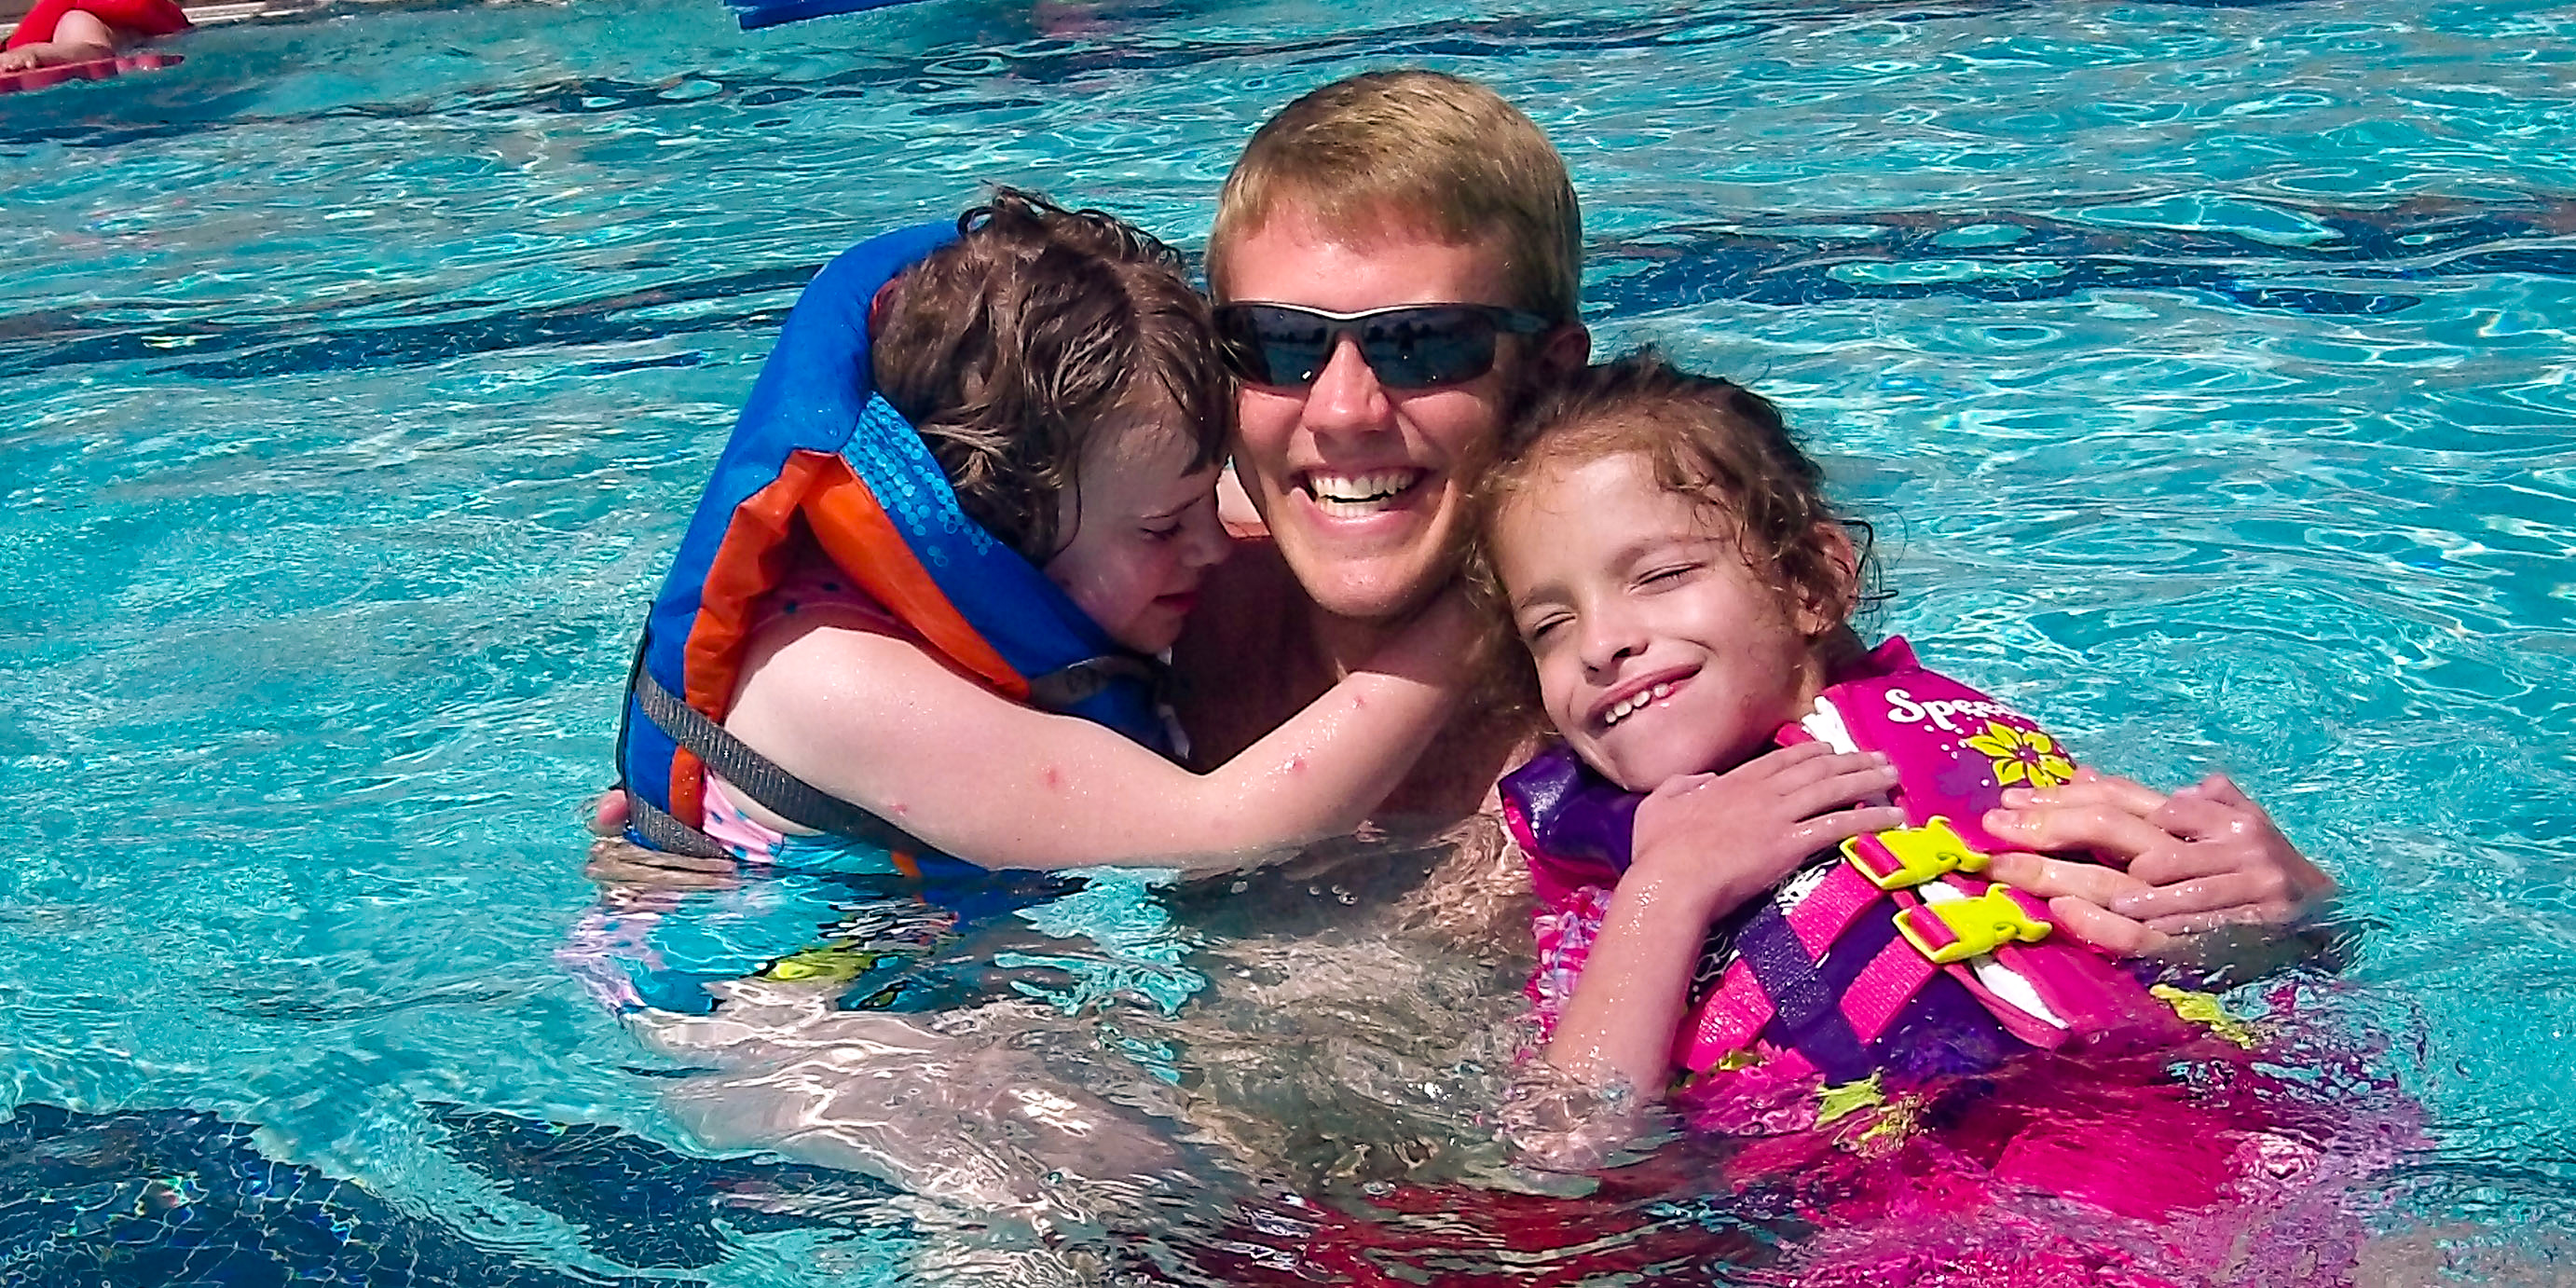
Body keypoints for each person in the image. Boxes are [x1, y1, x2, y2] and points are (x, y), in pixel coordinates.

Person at [1466, 351, 2370, 1278]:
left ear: (1813, 582)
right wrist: (1669, 885)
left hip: (2210, 1146)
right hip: (1909, 1220)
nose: (1602, 643)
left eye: (1658, 574)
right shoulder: (1616, 881)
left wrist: (2291, 912)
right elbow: (1564, 1143)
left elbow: (2235, 967)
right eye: (1550, 626)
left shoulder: (1963, 752)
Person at [608, 187, 1475, 878]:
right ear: (997, 525)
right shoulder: (834, 681)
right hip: (781, 1000)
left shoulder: (1075, 522)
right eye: (1165, 528)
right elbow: (1226, 828)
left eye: (1207, 497)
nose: (1211, 545)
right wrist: (1480, 601)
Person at [0, 0, 186, 73]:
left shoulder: (78, 18)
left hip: (98, 44)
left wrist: (30, 51)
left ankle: (35, 54)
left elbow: (95, 52)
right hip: (157, 38)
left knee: (80, 29)